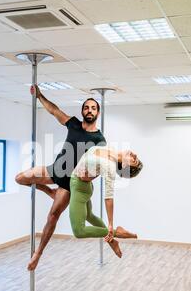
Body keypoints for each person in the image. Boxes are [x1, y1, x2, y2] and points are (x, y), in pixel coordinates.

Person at [15, 84, 106, 271]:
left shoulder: (99, 139)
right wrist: (39, 96)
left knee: (52, 216)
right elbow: (54, 110)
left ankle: (38, 254)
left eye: (93, 108)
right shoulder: (73, 123)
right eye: (86, 107)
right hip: (53, 170)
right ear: (82, 111)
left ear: (98, 112)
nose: (89, 110)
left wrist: (89, 179)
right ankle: (50, 192)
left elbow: (99, 167)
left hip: (68, 184)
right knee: (20, 178)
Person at [69, 146, 143, 258]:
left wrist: (110, 225)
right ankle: (112, 241)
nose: (135, 155)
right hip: (83, 186)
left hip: (79, 189)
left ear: (124, 166)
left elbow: (108, 197)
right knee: (89, 216)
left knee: (79, 231)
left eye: (134, 161)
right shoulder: (111, 151)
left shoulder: (110, 167)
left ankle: (117, 232)